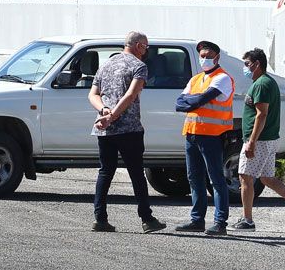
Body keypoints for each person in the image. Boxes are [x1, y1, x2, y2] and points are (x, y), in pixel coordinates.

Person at [87, 31, 166, 233]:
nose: (147, 50)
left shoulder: (106, 64)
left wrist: (103, 111)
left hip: (104, 129)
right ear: (139, 46)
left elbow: (93, 94)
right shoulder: (138, 66)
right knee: (136, 174)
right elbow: (131, 94)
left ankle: (100, 218)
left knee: (105, 171)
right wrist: (112, 115)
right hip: (129, 128)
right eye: (146, 46)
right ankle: (146, 218)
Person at [231, 48, 285, 232]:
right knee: (267, 179)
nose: (245, 68)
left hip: (259, 140)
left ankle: (247, 220)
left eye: (247, 64)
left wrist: (251, 141)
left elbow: (261, 114)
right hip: (267, 140)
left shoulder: (261, 84)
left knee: (245, 177)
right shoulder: (267, 82)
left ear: (257, 64)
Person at [174, 40, 235, 236]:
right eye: (202, 56)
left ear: (217, 57)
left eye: (209, 56)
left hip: (211, 135)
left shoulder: (223, 78)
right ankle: (197, 220)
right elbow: (179, 103)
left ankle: (220, 222)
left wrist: (191, 101)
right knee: (194, 178)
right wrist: (191, 102)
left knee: (216, 179)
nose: (205, 59)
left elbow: (199, 100)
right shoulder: (196, 79)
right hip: (191, 133)